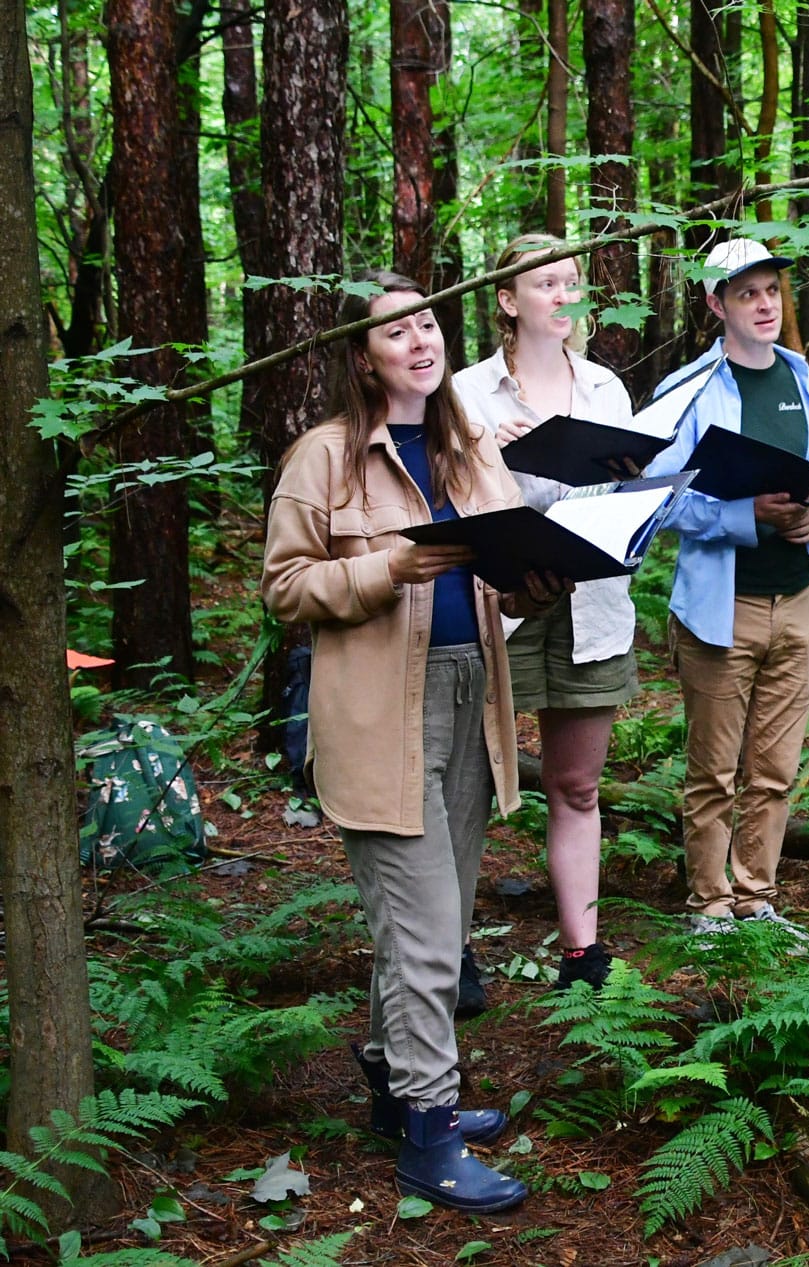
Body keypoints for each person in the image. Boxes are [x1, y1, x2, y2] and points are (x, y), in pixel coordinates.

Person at [262, 272, 555, 1213]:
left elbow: (504, 568)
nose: (421, 341)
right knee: (427, 933)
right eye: (397, 332)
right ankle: (429, 1134)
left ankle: (394, 1081)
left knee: (439, 917)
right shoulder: (325, 458)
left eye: (428, 321)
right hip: (377, 714)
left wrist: (537, 581)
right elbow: (285, 589)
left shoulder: (467, 448)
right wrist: (389, 567)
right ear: (363, 356)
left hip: (472, 700)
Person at [455, 234, 640, 992]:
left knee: (576, 785)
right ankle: (451, 953)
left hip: (591, 604)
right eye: (545, 285)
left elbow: (630, 510)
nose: (564, 296)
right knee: (463, 786)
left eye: (572, 283)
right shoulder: (465, 393)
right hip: (494, 607)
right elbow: (448, 507)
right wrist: (487, 460)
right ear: (507, 301)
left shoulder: (605, 390)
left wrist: (632, 478)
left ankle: (581, 954)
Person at [641, 238, 809, 940]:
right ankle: (708, 904)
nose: (763, 304)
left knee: (775, 767)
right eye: (746, 292)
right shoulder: (690, 389)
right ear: (715, 302)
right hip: (720, 607)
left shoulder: (803, 382)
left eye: (771, 291)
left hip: (797, 601)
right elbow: (657, 499)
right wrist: (742, 517)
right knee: (714, 771)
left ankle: (757, 898)